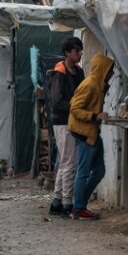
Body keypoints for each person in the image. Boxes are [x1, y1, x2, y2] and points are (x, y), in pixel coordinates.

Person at [68, 54, 115, 220]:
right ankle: (78, 208)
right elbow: (75, 108)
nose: (112, 74)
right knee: (83, 172)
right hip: (84, 133)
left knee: (99, 171)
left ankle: (80, 205)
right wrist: (95, 116)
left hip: (92, 133)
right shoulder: (90, 85)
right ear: (103, 70)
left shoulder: (98, 85)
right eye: (110, 71)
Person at [47, 37, 85, 217]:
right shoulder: (60, 73)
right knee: (70, 162)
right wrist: (77, 109)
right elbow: (56, 102)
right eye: (76, 51)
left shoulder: (78, 71)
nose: (79, 54)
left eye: (80, 51)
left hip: (73, 120)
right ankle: (67, 202)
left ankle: (58, 200)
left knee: (66, 162)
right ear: (67, 53)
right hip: (63, 121)